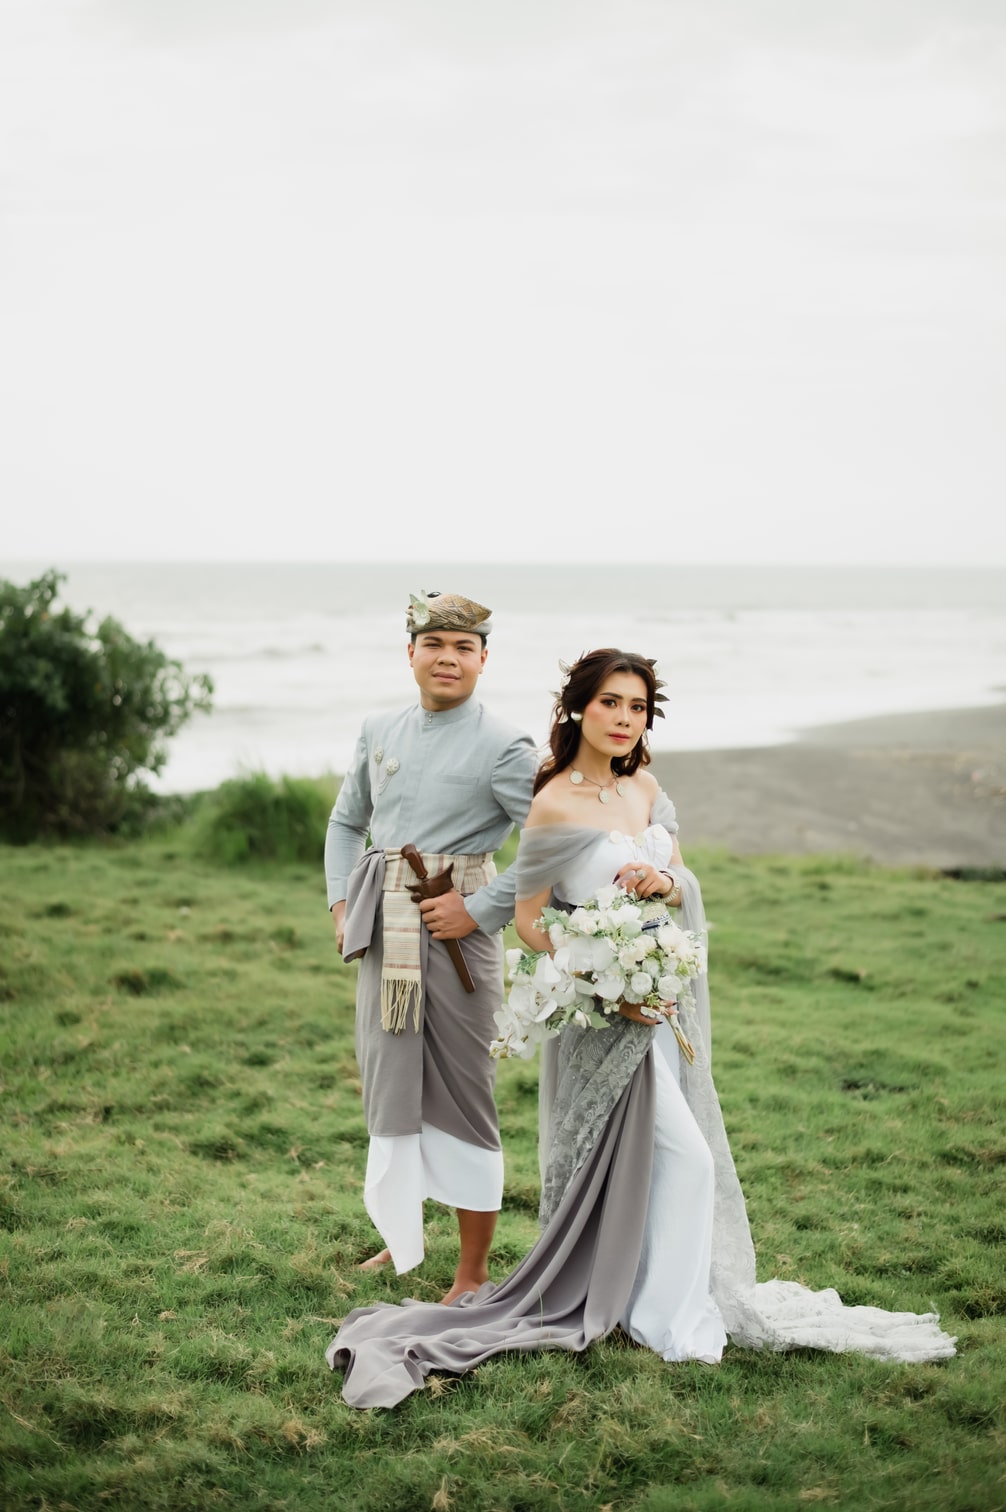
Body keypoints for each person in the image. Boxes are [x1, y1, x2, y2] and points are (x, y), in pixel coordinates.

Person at [326, 649, 956, 1407]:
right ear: (578, 710)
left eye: (637, 707)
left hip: (660, 1006)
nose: (624, 719)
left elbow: (679, 881)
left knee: (665, 1162)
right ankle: (666, 1317)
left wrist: (666, 883)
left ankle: (647, 1302)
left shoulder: (647, 789)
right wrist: (604, 980)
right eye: (610, 703)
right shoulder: (553, 802)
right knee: (688, 1160)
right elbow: (532, 922)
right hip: (605, 1015)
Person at [325, 590, 537, 1304]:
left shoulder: (505, 745)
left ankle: (472, 1271)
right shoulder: (379, 728)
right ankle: (402, 1232)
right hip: (385, 930)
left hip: (459, 943)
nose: (448, 659)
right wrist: (340, 902)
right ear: (411, 652)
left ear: (483, 660)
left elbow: (546, 846)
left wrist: (478, 910)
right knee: (393, 1083)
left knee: (465, 1094)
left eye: (463, 648)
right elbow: (346, 823)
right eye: (434, 645)